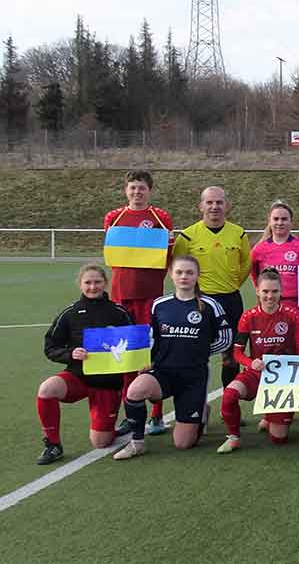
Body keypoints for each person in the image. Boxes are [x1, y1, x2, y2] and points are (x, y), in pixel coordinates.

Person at [113, 256, 233, 459]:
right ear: (171, 275)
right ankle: (137, 442)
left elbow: (225, 338)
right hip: (163, 371)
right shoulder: (160, 304)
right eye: (179, 272)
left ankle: (201, 411)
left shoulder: (210, 305)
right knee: (135, 390)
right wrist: (147, 359)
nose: (184, 277)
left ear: (197, 275)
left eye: (189, 272)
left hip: (193, 377)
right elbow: (152, 337)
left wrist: (201, 352)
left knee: (183, 444)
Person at [35, 263, 136, 464]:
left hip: (107, 383)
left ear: (105, 283)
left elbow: (134, 346)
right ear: (80, 285)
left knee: (101, 442)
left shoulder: (119, 312)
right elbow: (50, 347)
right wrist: (70, 354)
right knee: (47, 389)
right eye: (88, 282)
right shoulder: (70, 313)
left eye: (97, 282)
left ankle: (112, 426)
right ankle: (53, 444)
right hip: (77, 376)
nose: (92, 287)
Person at [103, 170, 172, 437]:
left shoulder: (159, 217)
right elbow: (112, 255)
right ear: (126, 190)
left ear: (149, 191)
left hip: (150, 296)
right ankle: (130, 415)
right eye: (132, 188)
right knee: (124, 356)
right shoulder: (114, 217)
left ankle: (156, 415)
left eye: (141, 188)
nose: (136, 192)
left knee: (150, 355)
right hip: (121, 296)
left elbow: (167, 254)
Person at [217, 268, 299, 453]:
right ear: (258, 291)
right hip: (257, 372)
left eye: (274, 291)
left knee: (279, 438)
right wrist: (250, 363)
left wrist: (294, 374)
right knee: (229, 394)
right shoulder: (248, 317)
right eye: (265, 291)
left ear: (281, 291)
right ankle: (234, 437)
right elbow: (237, 353)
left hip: (282, 377)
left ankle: (273, 415)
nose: (270, 296)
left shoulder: (292, 315)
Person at [170, 186, 251, 391]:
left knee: (231, 355)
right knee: (197, 352)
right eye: (209, 202)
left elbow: (245, 265)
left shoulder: (238, 233)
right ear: (201, 206)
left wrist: (230, 285)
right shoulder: (187, 236)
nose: (214, 207)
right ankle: (196, 402)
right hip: (200, 301)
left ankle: (228, 403)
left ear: (227, 206)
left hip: (230, 300)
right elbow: (177, 269)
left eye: (219, 202)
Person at [249, 200, 299, 336]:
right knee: (272, 348)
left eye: (284, 219)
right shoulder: (259, 249)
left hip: (298, 308)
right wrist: (261, 292)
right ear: (269, 221)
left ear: (291, 222)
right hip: (271, 306)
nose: (280, 222)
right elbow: (254, 273)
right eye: (276, 219)